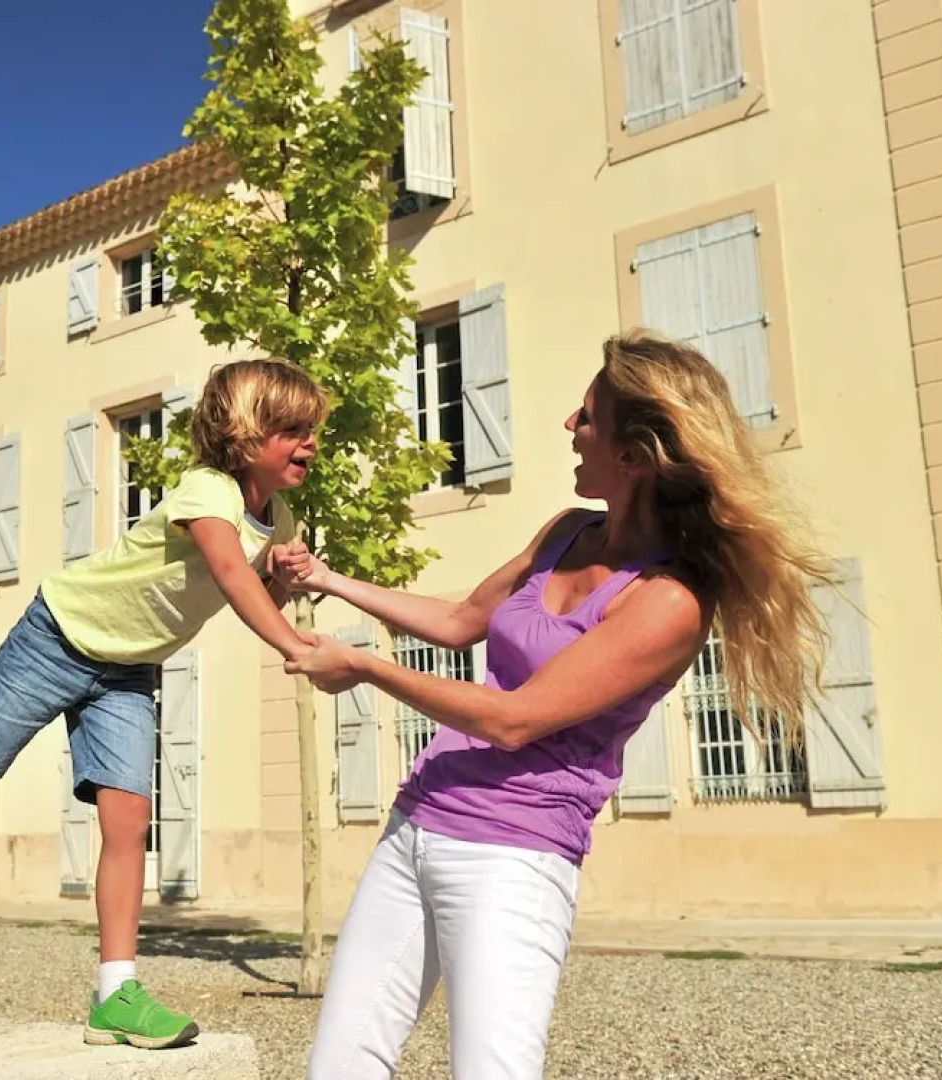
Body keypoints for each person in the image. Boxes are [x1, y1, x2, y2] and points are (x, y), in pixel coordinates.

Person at [274, 331, 831, 1079]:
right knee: (340, 1066)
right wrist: (329, 579)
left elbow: (516, 718)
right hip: (418, 823)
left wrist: (367, 669)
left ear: (634, 457)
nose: (569, 424)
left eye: (588, 416)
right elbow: (460, 621)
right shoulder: (567, 532)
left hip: (512, 854)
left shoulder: (667, 602)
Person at [0, 358, 327, 1049]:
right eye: (293, 430)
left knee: (128, 819)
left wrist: (287, 581)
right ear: (244, 432)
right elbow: (233, 577)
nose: (309, 444)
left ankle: (115, 995)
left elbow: (257, 587)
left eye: (312, 430)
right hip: (62, 633)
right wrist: (293, 643)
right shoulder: (207, 490)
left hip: (128, 669)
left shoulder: (279, 515)